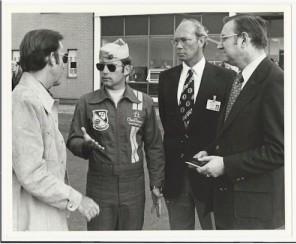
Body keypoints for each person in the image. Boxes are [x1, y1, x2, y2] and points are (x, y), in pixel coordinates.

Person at [194, 14, 284, 229]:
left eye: (224, 39)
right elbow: (236, 130)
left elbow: (280, 150)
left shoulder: (275, 80)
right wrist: (210, 151)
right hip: (232, 206)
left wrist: (225, 165)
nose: (218, 47)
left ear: (244, 39)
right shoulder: (240, 78)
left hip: (254, 213)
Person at [67, 38, 165, 230]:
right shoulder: (87, 102)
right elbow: (73, 139)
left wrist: (156, 183)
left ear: (127, 70)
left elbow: (154, 146)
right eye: (100, 66)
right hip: (100, 184)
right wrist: (84, 146)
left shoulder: (143, 102)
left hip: (133, 185)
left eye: (111, 67)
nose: (104, 71)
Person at [12, 29, 100, 231]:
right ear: (51, 58)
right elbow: (32, 173)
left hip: (47, 214)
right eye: (64, 57)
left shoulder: (36, 98)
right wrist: (77, 200)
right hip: (33, 221)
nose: (65, 64)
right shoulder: (24, 101)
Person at [158, 18, 235, 230]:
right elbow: (169, 126)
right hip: (175, 177)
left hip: (209, 176)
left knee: (214, 233)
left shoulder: (226, 78)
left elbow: (228, 129)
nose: (179, 46)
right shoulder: (166, 79)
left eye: (185, 40)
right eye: (175, 41)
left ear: (202, 41)